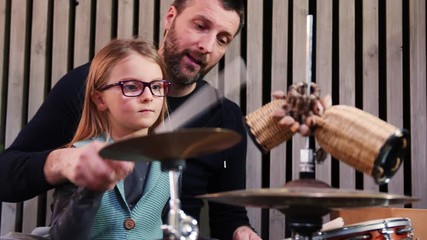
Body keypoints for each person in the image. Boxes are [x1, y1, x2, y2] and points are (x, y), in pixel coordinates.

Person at [0, 0, 260, 239]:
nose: (207, 46)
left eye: (222, 39)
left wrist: (241, 230)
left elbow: (228, 215)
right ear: (171, 17)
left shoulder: (225, 117)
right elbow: (6, 177)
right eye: (200, 26)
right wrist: (65, 161)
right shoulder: (89, 85)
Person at [48, 38, 171, 239]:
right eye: (131, 87)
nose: (149, 96)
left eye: (156, 87)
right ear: (100, 99)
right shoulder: (78, 157)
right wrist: (90, 192)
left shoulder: (171, 158)